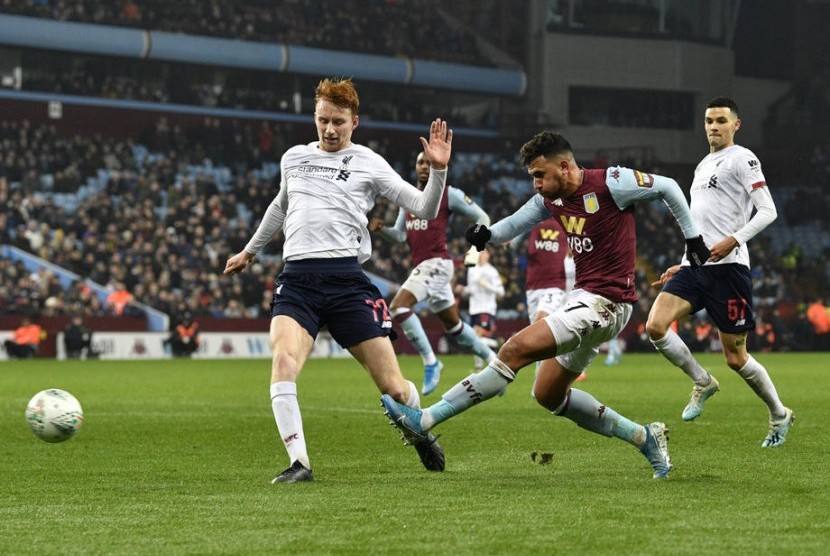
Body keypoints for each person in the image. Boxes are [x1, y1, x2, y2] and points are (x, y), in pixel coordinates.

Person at [381, 130, 712, 479]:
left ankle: (426, 418)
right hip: (586, 302)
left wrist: (692, 238)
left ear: (565, 167)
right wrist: (487, 235)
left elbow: (669, 186)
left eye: (540, 174)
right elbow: (514, 223)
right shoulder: (549, 200)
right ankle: (645, 437)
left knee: (513, 350)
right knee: (548, 394)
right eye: (533, 176)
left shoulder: (612, 182)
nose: (536, 183)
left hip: (606, 303)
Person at [223, 77, 452, 483]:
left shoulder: (368, 162)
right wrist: (250, 251)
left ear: (355, 121)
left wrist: (438, 170)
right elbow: (281, 205)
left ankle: (421, 433)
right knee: (282, 360)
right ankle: (300, 464)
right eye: (323, 120)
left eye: (339, 122)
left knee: (394, 389)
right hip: (296, 281)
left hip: (347, 281)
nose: (330, 129)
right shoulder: (293, 157)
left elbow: (425, 208)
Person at [646, 97, 794, 448]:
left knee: (735, 357)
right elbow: (702, 224)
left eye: (721, 121)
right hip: (695, 267)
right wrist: (683, 261)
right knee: (654, 326)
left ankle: (778, 413)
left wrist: (734, 240)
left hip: (729, 271)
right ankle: (702, 381)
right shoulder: (702, 165)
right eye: (709, 120)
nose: (714, 126)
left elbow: (768, 210)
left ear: (736, 125)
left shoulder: (742, 158)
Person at [369, 151, 497, 395]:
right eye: (420, 162)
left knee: (398, 307)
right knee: (454, 326)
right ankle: (493, 361)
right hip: (425, 265)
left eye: (429, 163)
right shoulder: (407, 199)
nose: (425, 167)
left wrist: (475, 247)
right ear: (415, 167)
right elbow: (399, 236)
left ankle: (431, 361)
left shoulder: (450, 194)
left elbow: (482, 216)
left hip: (437, 263)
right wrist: (381, 229)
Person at [510, 216, 578, 390]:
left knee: (542, 321)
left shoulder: (566, 222)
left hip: (555, 285)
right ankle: (542, 379)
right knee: (537, 337)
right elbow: (512, 243)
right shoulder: (532, 221)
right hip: (533, 286)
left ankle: (544, 381)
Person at [456, 247, 504, 371]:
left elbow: (501, 292)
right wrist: (463, 290)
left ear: (488, 255)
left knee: (476, 338)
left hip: (486, 308)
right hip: (474, 309)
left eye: (484, 252)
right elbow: (471, 290)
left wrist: (486, 285)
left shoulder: (492, 271)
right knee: (474, 338)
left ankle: (495, 348)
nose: (481, 254)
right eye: (480, 252)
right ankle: (481, 363)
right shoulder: (472, 270)